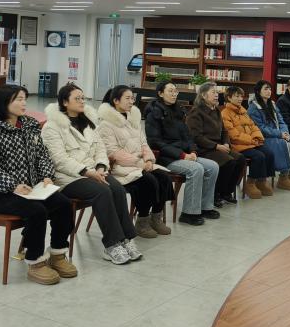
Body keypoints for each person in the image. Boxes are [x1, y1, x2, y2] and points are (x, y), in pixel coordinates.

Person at [0, 85, 77, 285]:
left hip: (33, 189)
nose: (24, 103)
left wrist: (46, 176)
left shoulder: (29, 126)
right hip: (2, 193)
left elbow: (42, 155)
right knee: (36, 211)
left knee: (63, 204)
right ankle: (35, 261)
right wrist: (13, 185)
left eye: (24, 99)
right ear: (4, 103)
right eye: (18, 99)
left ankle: (57, 254)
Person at [42, 83, 141, 265]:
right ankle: (112, 244)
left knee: (117, 189)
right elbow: (59, 159)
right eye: (77, 98)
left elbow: (100, 149)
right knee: (102, 191)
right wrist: (87, 172)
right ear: (65, 102)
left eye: (83, 98)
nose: (82, 101)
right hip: (69, 178)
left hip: (95, 172)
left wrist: (101, 167)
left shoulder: (88, 122)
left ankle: (126, 239)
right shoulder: (52, 127)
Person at [98, 85, 172, 238]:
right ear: (116, 101)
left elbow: (144, 144)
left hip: (141, 164)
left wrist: (149, 160)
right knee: (148, 181)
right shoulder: (106, 124)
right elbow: (113, 153)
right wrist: (140, 164)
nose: (132, 101)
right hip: (120, 168)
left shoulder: (133, 120)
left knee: (164, 177)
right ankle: (142, 221)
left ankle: (155, 218)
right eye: (128, 98)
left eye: (132, 98)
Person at [143, 81, 220, 225]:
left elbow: (188, 136)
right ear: (160, 93)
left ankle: (205, 207)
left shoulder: (178, 111)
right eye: (170, 91)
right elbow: (155, 142)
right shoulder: (154, 113)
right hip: (166, 158)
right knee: (196, 169)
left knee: (213, 166)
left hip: (184, 154)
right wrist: (182, 155)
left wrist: (193, 150)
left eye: (175, 91)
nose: (174, 94)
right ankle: (188, 213)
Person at [186, 82, 246, 205]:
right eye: (213, 92)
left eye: (217, 92)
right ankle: (215, 194)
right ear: (203, 95)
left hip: (219, 147)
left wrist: (226, 143)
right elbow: (196, 137)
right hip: (205, 149)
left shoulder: (216, 110)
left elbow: (224, 131)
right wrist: (216, 146)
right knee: (228, 161)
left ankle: (227, 192)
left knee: (240, 159)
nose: (217, 95)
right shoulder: (196, 112)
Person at [221, 86, 276, 199]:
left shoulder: (243, 111)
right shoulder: (225, 113)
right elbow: (233, 135)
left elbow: (254, 126)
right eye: (237, 96)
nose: (240, 98)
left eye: (241, 96)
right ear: (229, 98)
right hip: (237, 145)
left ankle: (261, 181)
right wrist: (251, 140)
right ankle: (250, 183)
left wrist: (258, 138)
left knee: (269, 153)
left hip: (251, 143)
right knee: (258, 156)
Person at [248, 80, 290, 191]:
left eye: (270, 89)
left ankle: (289, 176)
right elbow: (261, 128)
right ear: (258, 91)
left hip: (279, 134)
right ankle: (283, 177)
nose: (269, 91)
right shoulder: (253, 108)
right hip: (266, 138)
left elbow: (281, 120)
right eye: (265, 89)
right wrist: (280, 134)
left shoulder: (272, 104)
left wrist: (285, 132)